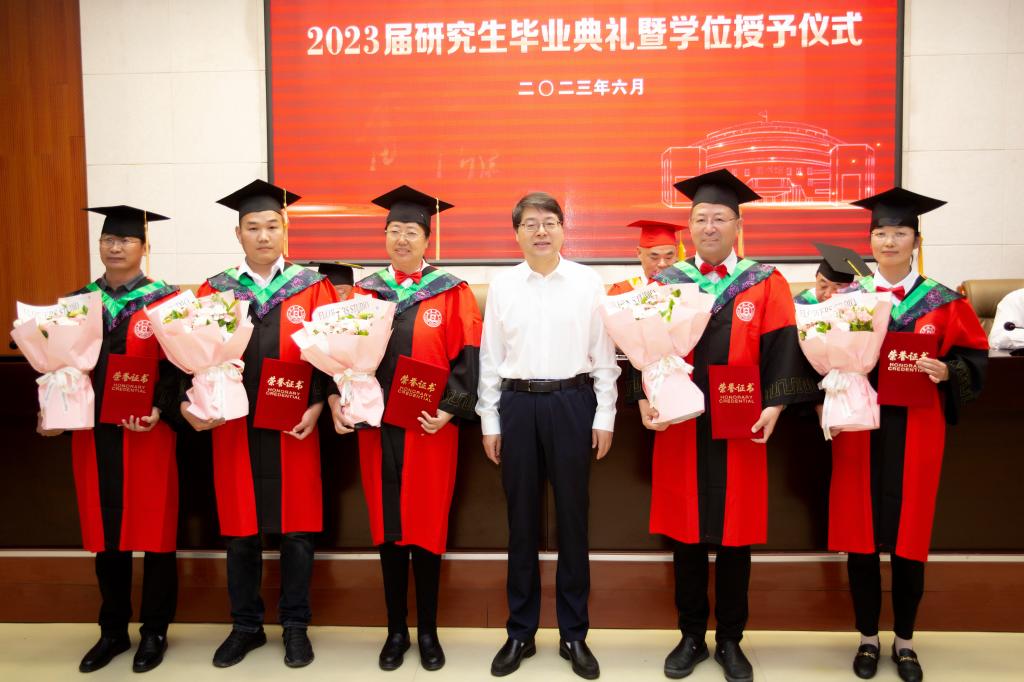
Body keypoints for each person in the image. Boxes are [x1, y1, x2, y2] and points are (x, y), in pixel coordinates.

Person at [651, 169, 821, 682]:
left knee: (734, 534)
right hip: (681, 420)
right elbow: (644, 346)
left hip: (742, 421)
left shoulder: (764, 282)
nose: (710, 226)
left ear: (737, 226)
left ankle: (730, 639)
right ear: (689, 226)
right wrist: (643, 399)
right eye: (701, 218)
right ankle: (690, 635)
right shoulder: (668, 280)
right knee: (686, 532)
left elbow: (784, 346)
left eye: (720, 218)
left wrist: (776, 405)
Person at [830, 188, 988, 682]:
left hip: (918, 428)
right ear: (870, 241)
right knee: (861, 536)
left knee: (909, 536)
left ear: (916, 241)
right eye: (881, 232)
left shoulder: (945, 302)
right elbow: (821, 354)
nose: (889, 241)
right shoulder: (849, 298)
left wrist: (947, 371)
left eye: (900, 233)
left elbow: (974, 359)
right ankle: (866, 638)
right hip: (861, 427)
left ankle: (904, 641)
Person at [180, 179, 339, 669]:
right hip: (234, 421)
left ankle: (295, 626)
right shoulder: (216, 290)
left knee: (297, 530)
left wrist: (317, 404)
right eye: (253, 227)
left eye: (272, 226)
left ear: (285, 229)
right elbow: (192, 353)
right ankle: (245, 626)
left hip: (295, 421)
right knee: (240, 529)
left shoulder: (313, 286)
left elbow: (332, 353)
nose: (264, 235)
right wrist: (194, 403)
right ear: (238, 233)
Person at [330, 185, 481, 672]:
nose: (401, 239)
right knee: (388, 526)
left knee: (427, 525)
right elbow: (341, 355)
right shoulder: (365, 292)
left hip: (429, 427)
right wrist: (345, 398)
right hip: (378, 428)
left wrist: (452, 409)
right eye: (393, 230)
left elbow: (471, 360)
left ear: (426, 239)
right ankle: (396, 630)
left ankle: (429, 631)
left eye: (411, 232)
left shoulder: (452, 292)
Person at [477, 192, 620, 680]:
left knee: (573, 522)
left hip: (572, 404)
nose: (541, 231)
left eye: (550, 222)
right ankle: (520, 631)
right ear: (516, 233)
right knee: (520, 522)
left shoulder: (587, 282)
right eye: (531, 224)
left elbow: (604, 355)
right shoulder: (503, 286)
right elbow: (491, 358)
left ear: (563, 229)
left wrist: (605, 415)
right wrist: (490, 420)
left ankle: (574, 632)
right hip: (517, 406)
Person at [37, 206, 181, 673]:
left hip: (149, 432)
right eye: (108, 240)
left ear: (144, 247)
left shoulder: (166, 301)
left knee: (156, 534)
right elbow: (60, 367)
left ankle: (155, 630)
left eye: (125, 240)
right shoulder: (77, 303)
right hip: (94, 435)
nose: (115, 248)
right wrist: (52, 411)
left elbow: (182, 367)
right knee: (108, 535)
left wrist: (159, 407)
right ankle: (113, 630)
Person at [606, 220, 684, 295]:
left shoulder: (685, 287)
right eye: (654, 257)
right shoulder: (623, 292)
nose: (662, 264)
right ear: (639, 253)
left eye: (668, 257)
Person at [794, 242, 871, 304]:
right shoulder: (800, 303)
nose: (828, 295)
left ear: (849, 287)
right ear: (816, 277)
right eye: (823, 286)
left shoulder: (859, 303)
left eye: (836, 289)